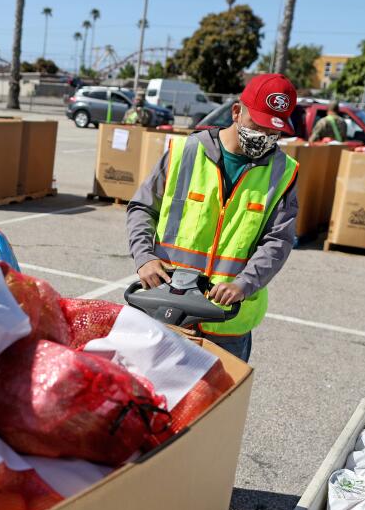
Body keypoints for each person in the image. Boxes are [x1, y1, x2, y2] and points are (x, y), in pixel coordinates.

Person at [126, 73, 300, 363]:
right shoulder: (185, 152)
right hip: (167, 303)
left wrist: (244, 284)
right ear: (236, 112)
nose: (265, 138)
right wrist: (144, 257)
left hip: (226, 320)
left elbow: (278, 240)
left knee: (219, 403)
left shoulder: (283, 172)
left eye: (274, 132)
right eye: (258, 125)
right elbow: (142, 208)